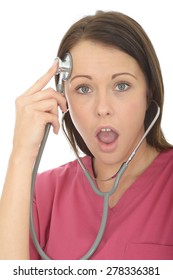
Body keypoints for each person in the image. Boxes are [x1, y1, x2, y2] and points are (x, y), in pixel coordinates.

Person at [0, 10, 173, 260]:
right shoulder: (41, 191)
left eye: (121, 85)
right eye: (83, 88)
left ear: (149, 92)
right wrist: (21, 153)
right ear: (63, 98)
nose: (102, 108)